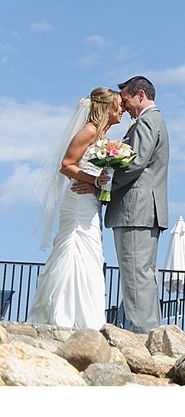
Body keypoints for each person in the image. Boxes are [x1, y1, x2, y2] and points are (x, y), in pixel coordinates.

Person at [28, 88, 122, 330]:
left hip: (91, 201)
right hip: (78, 200)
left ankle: (86, 316)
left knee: (90, 253)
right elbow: (66, 164)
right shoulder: (89, 131)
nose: (121, 110)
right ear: (107, 108)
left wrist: (101, 182)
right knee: (75, 248)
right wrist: (93, 181)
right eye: (118, 105)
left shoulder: (102, 136)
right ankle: (64, 315)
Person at [101, 75, 170, 333]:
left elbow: (135, 162)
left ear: (140, 95)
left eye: (127, 99)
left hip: (135, 211)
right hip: (145, 211)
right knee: (143, 275)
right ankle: (150, 333)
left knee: (135, 276)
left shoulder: (147, 122)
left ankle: (142, 335)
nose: (124, 105)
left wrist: (104, 183)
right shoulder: (153, 121)